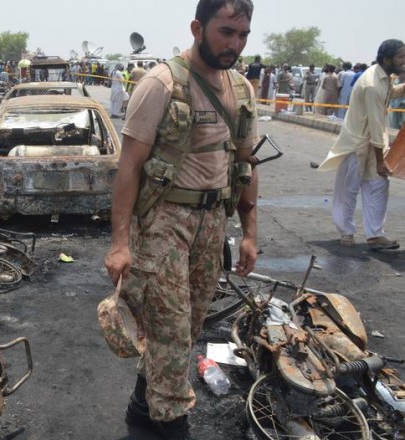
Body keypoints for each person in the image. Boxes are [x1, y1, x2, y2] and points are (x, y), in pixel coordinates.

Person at [104, 1, 258, 439]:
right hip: (163, 221)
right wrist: (120, 243)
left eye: (243, 34)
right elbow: (129, 166)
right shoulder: (162, 84)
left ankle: (141, 408)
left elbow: (248, 163)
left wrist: (249, 233)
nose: (235, 44)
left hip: (212, 222)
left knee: (187, 327)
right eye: (226, 32)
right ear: (197, 27)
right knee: (171, 330)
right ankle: (172, 425)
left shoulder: (242, 89)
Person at [318, 39, 405, 250]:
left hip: (372, 142)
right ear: (386, 59)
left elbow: (390, 95)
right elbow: (376, 126)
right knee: (348, 189)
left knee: (378, 185)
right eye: (400, 57)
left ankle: (375, 235)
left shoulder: (384, 78)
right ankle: (346, 231)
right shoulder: (372, 84)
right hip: (356, 144)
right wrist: (380, 161)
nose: (404, 61)